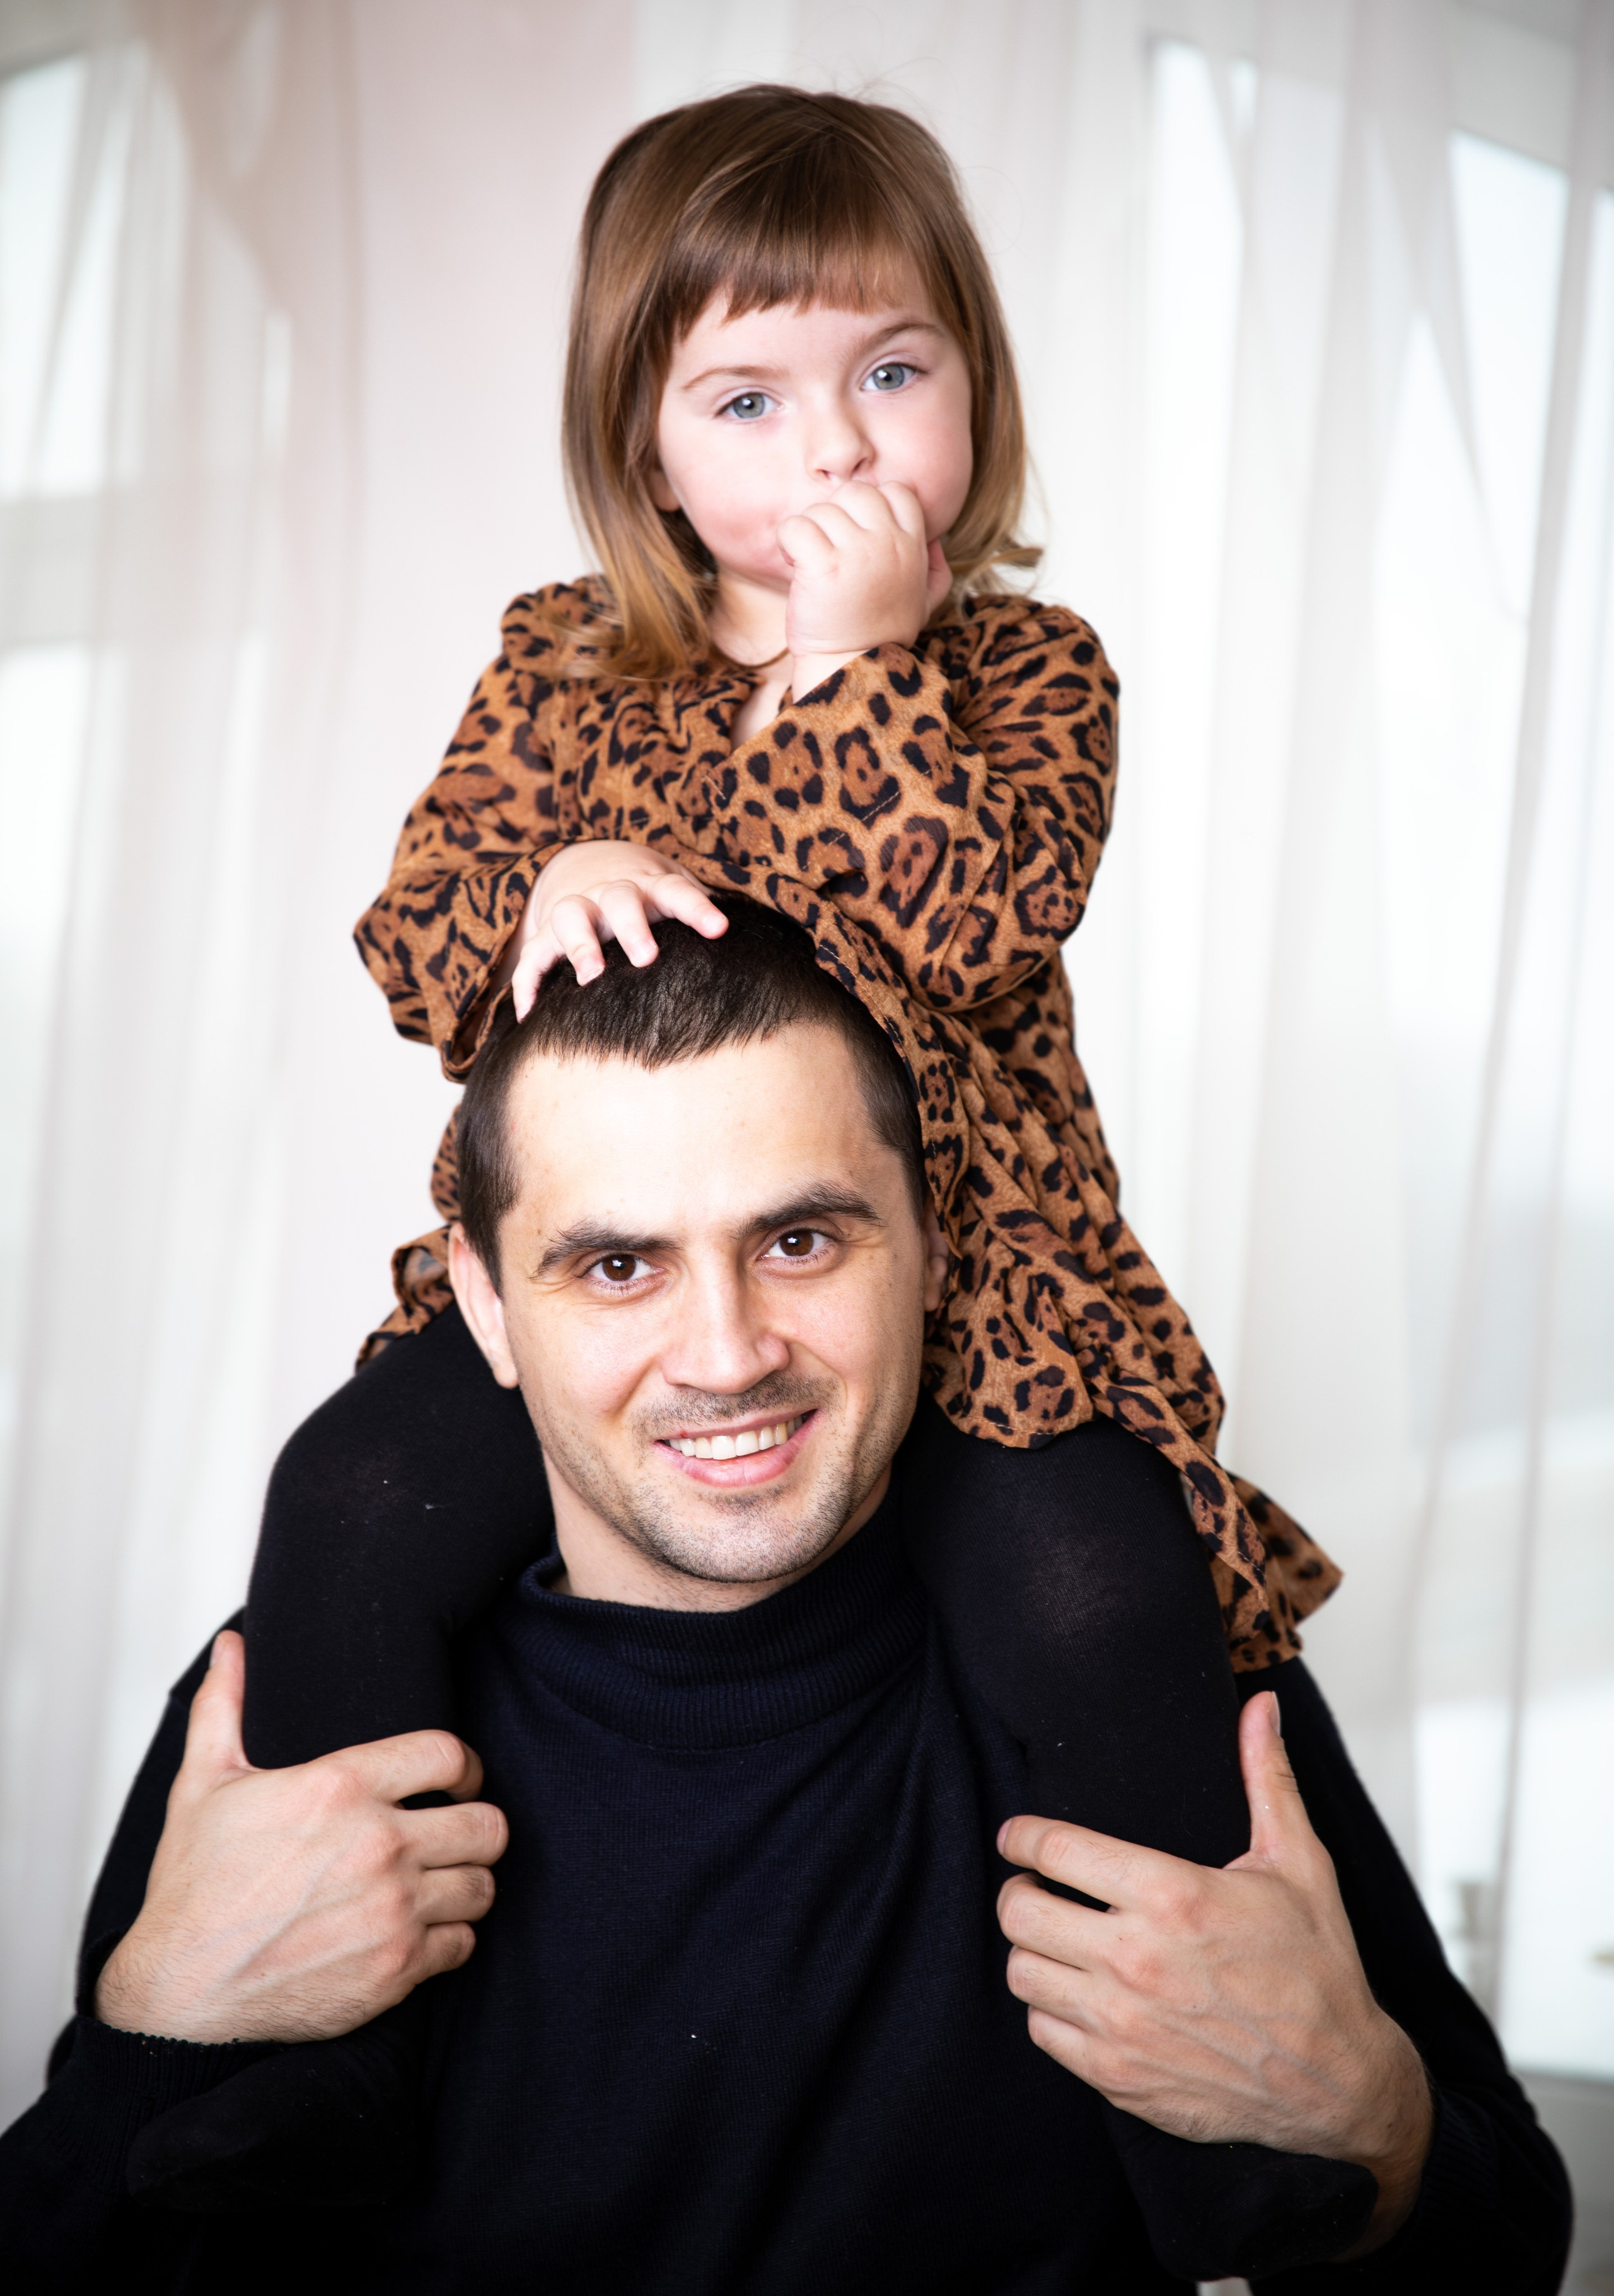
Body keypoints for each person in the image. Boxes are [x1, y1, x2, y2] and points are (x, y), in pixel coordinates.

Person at [0, 912, 1570, 2291]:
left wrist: (1371, 2121)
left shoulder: (1146, 1684)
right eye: (617, 1268)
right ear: (481, 1302)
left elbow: (1504, 2252)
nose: (726, 1353)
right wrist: (154, 2037)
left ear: (935, 1249)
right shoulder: (291, 1725)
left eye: (800, 1240)